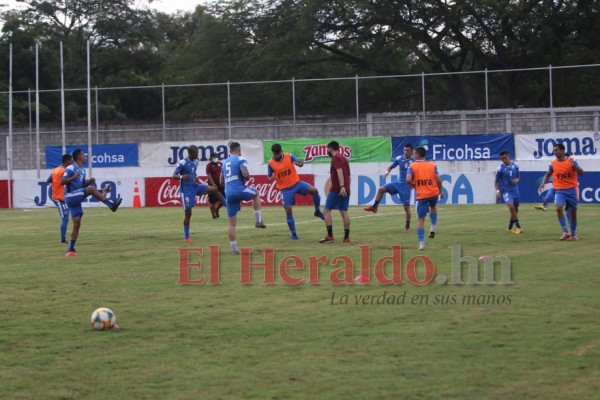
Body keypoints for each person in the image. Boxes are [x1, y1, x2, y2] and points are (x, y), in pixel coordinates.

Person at [62, 149, 122, 257]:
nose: (85, 156)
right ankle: (111, 204)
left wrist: (88, 181)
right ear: (78, 157)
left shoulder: (83, 171)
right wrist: (73, 177)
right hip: (70, 196)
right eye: (83, 154)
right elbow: (62, 181)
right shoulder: (71, 168)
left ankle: (70, 249)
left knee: (77, 224)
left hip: (76, 197)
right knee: (91, 189)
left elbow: (81, 185)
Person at [268, 143, 325, 240]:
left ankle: (317, 211)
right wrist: (275, 176)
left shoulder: (288, 156)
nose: (277, 155)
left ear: (281, 151)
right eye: (275, 154)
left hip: (296, 184)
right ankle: (294, 235)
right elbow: (269, 177)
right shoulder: (271, 163)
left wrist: (299, 163)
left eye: (278, 153)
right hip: (285, 189)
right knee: (288, 210)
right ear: (273, 153)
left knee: (314, 190)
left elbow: (300, 163)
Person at [221, 141, 266, 254]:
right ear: (239, 150)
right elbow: (245, 173)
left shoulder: (224, 162)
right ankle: (258, 220)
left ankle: (234, 249)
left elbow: (221, 181)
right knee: (255, 193)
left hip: (228, 193)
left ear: (230, 150)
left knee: (231, 224)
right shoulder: (241, 159)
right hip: (239, 189)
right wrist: (246, 178)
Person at [173, 145, 226, 243]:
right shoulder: (183, 163)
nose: (198, 154)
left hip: (195, 186)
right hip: (187, 192)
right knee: (188, 214)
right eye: (197, 152)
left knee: (214, 190)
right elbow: (174, 175)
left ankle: (228, 206)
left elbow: (193, 173)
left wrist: (196, 178)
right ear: (191, 153)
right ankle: (186, 237)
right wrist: (181, 177)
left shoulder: (196, 161)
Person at [538, 143, 584, 240]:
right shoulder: (553, 163)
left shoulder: (571, 160)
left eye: (557, 150)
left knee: (573, 213)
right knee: (559, 208)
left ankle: (573, 233)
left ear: (562, 151)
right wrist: (543, 184)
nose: (555, 152)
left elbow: (581, 173)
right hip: (560, 191)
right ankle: (565, 232)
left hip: (571, 190)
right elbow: (547, 174)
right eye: (554, 150)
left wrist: (575, 167)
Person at [364, 144, 414, 231]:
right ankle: (374, 207)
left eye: (407, 150)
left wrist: (413, 184)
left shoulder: (414, 161)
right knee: (381, 189)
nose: (405, 152)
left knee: (406, 207)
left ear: (412, 151)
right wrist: (387, 171)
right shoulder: (399, 158)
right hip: (398, 183)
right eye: (404, 150)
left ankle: (407, 225)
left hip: (406, 186)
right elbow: (391, 166)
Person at [406, 146, 444, 251]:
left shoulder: (412, 166)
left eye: (414, 154)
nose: (413, 156)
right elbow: (439, 180)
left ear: (418, 154)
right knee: (433, 206)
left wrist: (414, 185)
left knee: (421, 219)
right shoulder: (432, 165)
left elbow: (408, 179)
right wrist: (440, 191)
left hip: (422, 195)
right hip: (433, 193)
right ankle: (433, 227)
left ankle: (421, 243)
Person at [319, 141, 351, 243]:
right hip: (345, 189)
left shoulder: (336, 158)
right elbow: (349, 176)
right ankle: (346, 238)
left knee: (326, 211)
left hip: (337, 188)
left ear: (330, 148)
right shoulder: (344, 158)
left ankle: (330, 236)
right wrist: (347, 187)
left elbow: (339, 171)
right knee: (344, 212)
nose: (327, 151)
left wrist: (341, 187)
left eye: (327, 149)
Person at [46, 153, 72, 244]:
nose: (72, 162)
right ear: (67, 161)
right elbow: (65, 181)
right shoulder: (64, 171)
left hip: (58, 196)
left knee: (66, 217)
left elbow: (48, 180)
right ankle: (63, 240)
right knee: (65, 218)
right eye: (71, 160)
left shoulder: (55, 169)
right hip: (59, 197)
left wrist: (55, 184)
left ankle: (63, 239)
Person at [495, 150, 522, 234]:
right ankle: (518, 227)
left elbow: (518, 177)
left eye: (505, 158)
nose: (503, 160)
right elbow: (496, 181)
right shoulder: (500, 169)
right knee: (511, 207)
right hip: (506, 191)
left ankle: (510, 227)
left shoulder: (515, 165)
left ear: (508, 157)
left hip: (515, 191)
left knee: (515, 210)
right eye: (502, 159)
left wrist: (516, 180)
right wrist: (497, 191)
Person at [206, 152, 225, 219]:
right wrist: (213, 184)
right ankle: (213, 215)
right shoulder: (209, 165)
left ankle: (217, 209)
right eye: (214, 157)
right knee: (212, 201)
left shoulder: (221, 164)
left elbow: (223, 173)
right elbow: (209, 175)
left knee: (224, 198)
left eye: (216, 157)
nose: (215, 158)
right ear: (211, 158)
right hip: (212, 186)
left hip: (221, 185)